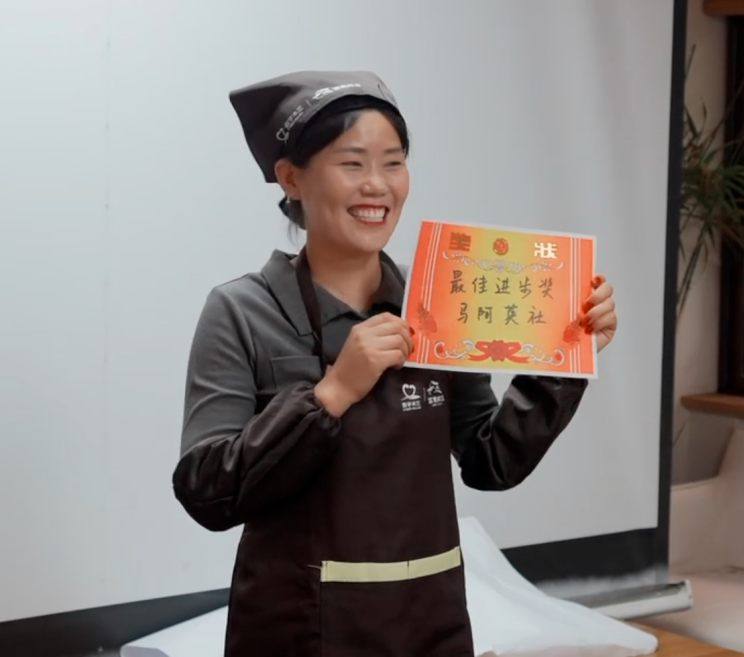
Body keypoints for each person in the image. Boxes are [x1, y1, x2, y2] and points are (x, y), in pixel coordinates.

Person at [172, 70, 618, 657]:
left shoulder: (437, 301)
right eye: (352, 163)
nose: (377, 186)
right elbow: (207, 491)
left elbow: (491, 461)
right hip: (299, 629)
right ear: (291, 177)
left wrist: (566, 355)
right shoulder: (241, 310)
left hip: (430, 623)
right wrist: (332, 393)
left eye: (394, 162)